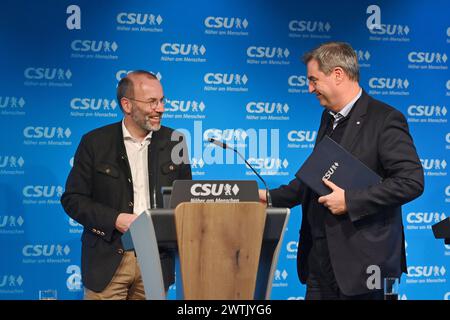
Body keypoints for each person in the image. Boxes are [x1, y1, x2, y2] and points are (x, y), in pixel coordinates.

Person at [259, 42, 424, 300]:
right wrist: (269, 197)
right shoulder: (328, 118)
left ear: (338, 74)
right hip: (320, 261)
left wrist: (350, 200)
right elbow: (315, 177)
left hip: (365, 266)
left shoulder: (385, 119)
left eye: (314, 80)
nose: (309, 88)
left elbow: (411, 181)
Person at [61, 70, 192, 299]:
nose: (160, 108)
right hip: (108, 260)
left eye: (162, 101)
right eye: (152, 102)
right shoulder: (95, 142)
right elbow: (73, 199)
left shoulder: (175, 142)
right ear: (127, 105)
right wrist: (115, 219)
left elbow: (186, 201)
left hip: (155, 261)